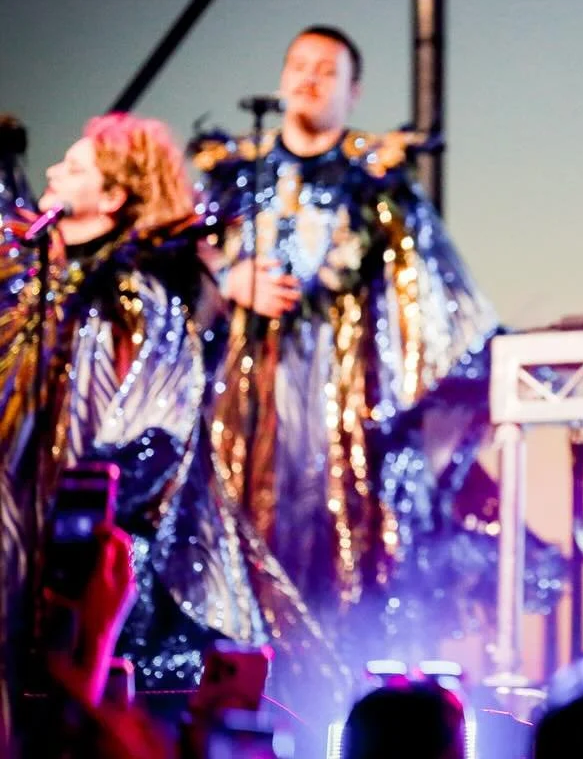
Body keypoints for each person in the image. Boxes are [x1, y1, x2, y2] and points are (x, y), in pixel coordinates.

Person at [0, 115, 337, 729]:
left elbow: (154, 436)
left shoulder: (131, 297)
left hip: (107, 561)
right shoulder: (36, 293)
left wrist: (78, 522)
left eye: (74, 167)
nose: (52, 172)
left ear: (111, 197)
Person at [191, 25, 499, 642]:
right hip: (243, 398)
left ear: (352, 92)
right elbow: (179, 263)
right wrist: (227, 277)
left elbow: (435, 294)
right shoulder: (233, 177)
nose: (308, 77)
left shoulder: (379, 183)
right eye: (298, 64)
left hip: (344, 400)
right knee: (238, 529)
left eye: (326, 70)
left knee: (336, 539)